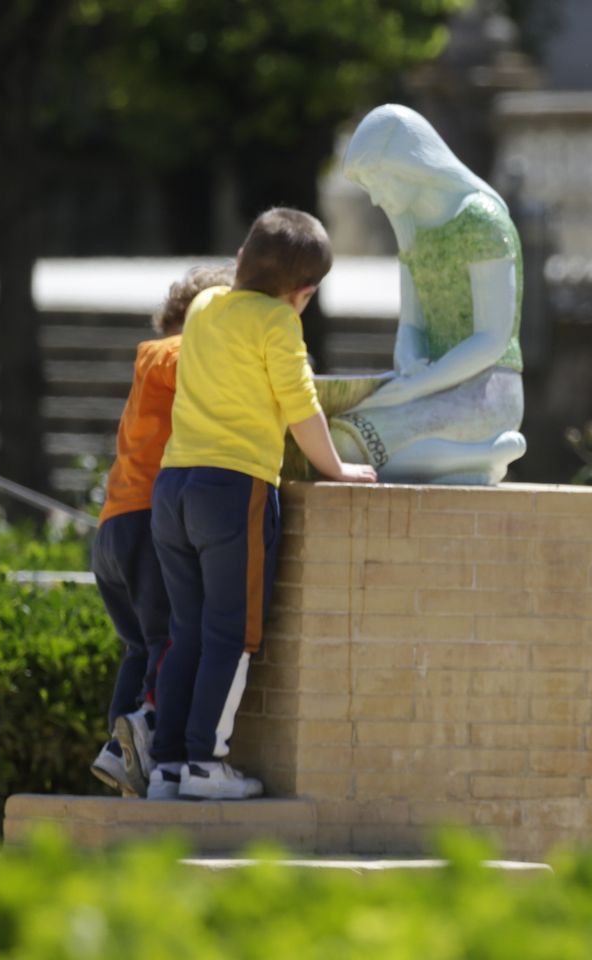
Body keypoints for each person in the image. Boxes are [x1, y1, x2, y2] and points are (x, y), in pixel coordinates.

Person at [147, 208, 377, 801]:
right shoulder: (279, 322)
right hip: (233, 488)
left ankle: (166, 766)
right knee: (231, 633)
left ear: (241, 260)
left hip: (173, 486)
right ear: (305, 293)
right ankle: (205, 764)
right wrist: (336, 468)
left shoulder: (205, 305)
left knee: (185, 630)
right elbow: (302, 407)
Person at [90, 264, 234, 796]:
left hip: (114, 527)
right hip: (149, 522)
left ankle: (119, 750)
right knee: (168, 641)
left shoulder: (151, 361)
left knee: (139, 648)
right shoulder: (178, 353)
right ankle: (148, 733)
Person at [329, 103, 526, 484]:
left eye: (378, 181)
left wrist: (415, 386)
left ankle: (479, 454)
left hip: (486, 390)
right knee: (334, 436)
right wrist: (409, 362)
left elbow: (493, 339)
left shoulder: (481, 220)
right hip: (427, 388)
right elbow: (412, 323)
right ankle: (479, 456)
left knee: (348, 447)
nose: (375, 198)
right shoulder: (410, 225)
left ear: (409, 164)